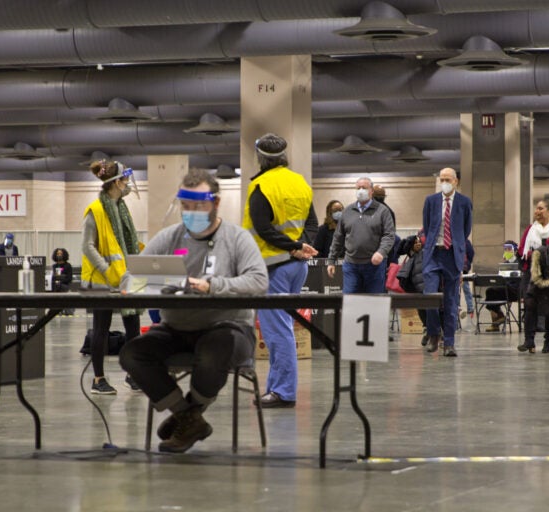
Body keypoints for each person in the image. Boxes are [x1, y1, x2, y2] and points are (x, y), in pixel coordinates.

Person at [119, 169, 268, 453]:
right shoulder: (169, 238)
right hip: (176, 329)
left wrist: (211, 285)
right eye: (186, 206)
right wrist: (160, 282)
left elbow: (259, 281)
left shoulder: (237, 238)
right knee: (132, 353)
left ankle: (185, 417)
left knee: (214, 349)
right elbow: (129, 278)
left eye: (199, 205)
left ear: (216, 204)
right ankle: (188, 418)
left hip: (228, 330)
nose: (192, 212)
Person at [243, 133, 318, 408]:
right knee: (281, 328)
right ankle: (275, 388)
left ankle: (284, 392)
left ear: (260, 157)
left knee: (277, 332)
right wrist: (301, 246)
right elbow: (312, 223)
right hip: (297, 267)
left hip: (273, 267)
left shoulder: (261, 186)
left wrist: (292, 247)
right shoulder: (300, 183)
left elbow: (263, 228)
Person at [81, 160, 142, 395]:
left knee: (133, 325)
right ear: (116, 182)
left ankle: (133, 374)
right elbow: (87, 247)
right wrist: (107, 270)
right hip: (101, 279)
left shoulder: (120, 207)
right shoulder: (95, 210)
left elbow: (122, 244)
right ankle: (98, 379)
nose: (128, 183)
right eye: (125, 179)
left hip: (124, 276)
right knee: (101, 328)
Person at [421, 168, 472, 357]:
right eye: (441, 179)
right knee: (430, 297)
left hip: (452, 255)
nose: (444, 182)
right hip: (434, 254)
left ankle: (449, 343)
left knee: (451, 301)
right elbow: (427, 227)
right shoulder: (431, 201)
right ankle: (434, 334)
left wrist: (455, 245)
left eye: (447, 179)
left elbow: (465, 230)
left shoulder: (465, 202)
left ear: (455, 181)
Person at [517, 199, 549, 354]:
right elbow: (521, 250)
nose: (536, 211)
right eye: (536, 209)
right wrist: (535, 254)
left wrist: (542, 254)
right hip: (531, 272)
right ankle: (529, 341)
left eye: (540, 209)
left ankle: (548, 341)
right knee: (530, 305)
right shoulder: (530, 229)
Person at [327, 177, 395, 294]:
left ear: (371, 191)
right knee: (350, 302)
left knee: (374, 302)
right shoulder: (347, 212)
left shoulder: (382, 211)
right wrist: (331, 260)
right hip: (351, 265)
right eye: (358, 188)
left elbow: (389, 235)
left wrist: (381, 252)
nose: (361, 190)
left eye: (364, 188)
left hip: (374, 266)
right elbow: (338, 237)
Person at [484, 240, 521, 332]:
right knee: (490, 292)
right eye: (505, 249)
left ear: (515, 250)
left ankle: (498, 320)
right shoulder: (505, 264)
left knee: (491, 293)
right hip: (505, 289)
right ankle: (498, 318)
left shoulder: (520, 262)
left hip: (515, 290)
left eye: (509, 249)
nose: (507, 251)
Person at [459, 239, 475, 330]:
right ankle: (467, 307)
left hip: (463, 267)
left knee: (465, 287)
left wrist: (467, 263)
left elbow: (471, 253)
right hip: (461, 266)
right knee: (464, 287)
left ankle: (470, 307)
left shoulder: (465, 241)